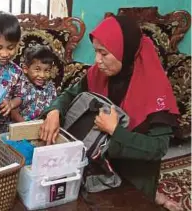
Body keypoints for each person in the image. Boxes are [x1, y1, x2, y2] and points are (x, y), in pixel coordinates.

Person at [39, 15, 180, 205]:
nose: (97, 60)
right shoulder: (100, 73)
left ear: (124, 51)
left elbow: (158, 149)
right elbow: (69, 95)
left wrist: (115, 131)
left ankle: (153, 195)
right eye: (96, 52)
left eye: (104, 53)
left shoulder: (154, 87)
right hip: (97, 164)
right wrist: (54, 111)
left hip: (134, 177)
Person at [10, 44, 57, 122]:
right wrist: (28, 128)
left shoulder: (50, 88)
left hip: (43, 127)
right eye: (37, 69)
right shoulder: (21, 86)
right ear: (25, 69)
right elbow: (14, 114)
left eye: (47, 70)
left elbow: (53, 109)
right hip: (22, 127)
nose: (42, 75)